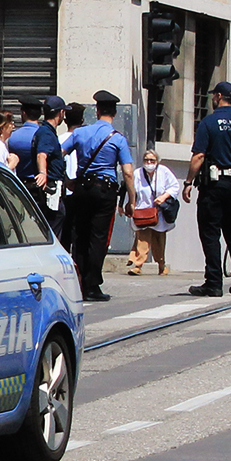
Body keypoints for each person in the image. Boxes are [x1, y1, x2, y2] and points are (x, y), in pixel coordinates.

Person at [65, 90, 136, 302]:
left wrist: (67, 179)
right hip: (104, 190)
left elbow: (58, 154)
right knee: (98, 237)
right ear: (113, 113)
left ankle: (79, 283)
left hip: (81, 188)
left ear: (97, 111)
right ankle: (93, 284)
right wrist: (132, 200)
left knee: (80, 236)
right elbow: (128, 172)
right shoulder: (118, 139)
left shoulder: (79, 133)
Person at [183, 81, 231, 297]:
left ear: (218, 96)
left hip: (214, 186)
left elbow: (199, 156)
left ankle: (214, 282)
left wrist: (188, 182)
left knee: (210, 233)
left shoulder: (209, 122)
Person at [126, 149, 180, 276]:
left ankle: (162, 265)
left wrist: (164, 197)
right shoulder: (138, 173)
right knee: (142, 239)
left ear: (157, 161)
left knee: (159, 240)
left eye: (152, 160)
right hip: (142, 211)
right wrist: (130, 205)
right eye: (147, 160)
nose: (149, 163)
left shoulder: (164, 172)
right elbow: (131, 190)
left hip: (159, 212)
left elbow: (174, 186)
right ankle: (138, 265)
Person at [30, 96, 69, 238]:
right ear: (60, 113)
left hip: (55, 186)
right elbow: (42, 155)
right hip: (51, 189)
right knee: (55, 220)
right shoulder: (46, 133)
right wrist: (43, 173)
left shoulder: (47, 132)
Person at [59, 102, 87, 251]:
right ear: (82, 121)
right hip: (81, 190)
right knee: (79, 233)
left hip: (64, 192)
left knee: (64, 233)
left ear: (64, 120)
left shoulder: (59, 140)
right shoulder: (86, 140)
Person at [8, 95, 43, 184]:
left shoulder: (12, 137)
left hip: (17, 184)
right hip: (39, 183)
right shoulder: (45, 136)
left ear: (23, 113)